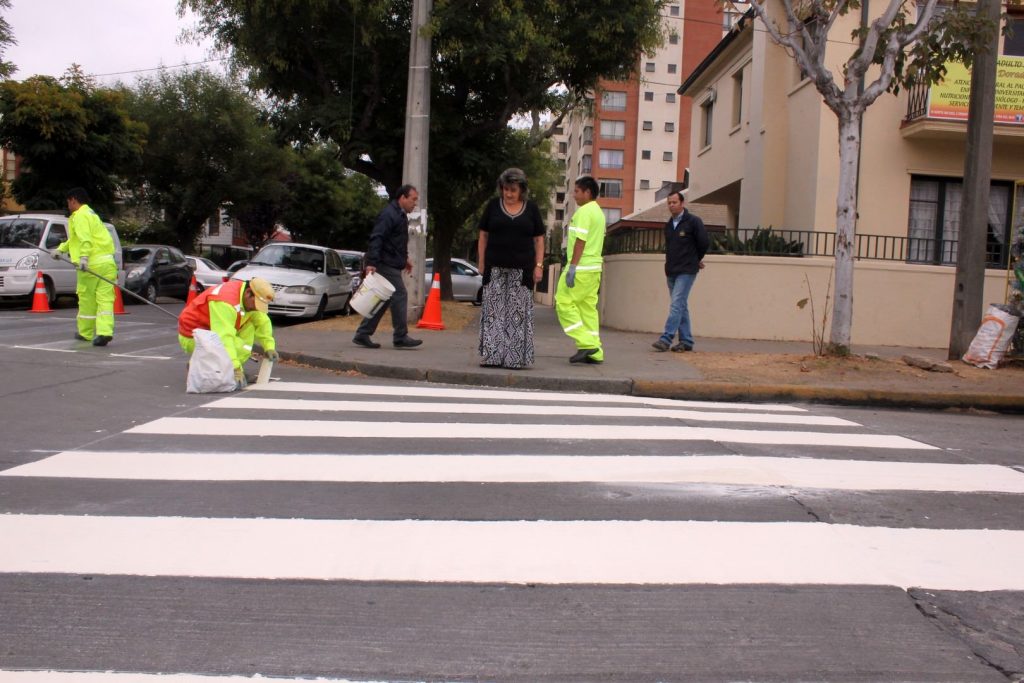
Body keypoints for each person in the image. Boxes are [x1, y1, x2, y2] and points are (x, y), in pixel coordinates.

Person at [476, 168, 546, 368]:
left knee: (517, 314)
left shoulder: (531, 209)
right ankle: (492, 356)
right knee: (494, 313)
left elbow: (539, 240)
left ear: (521, 190)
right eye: (506, 189)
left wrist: (539, 266)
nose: (509, 194)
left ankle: (514, 358)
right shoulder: (492, 207)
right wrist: (481, 262)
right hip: (494, 268)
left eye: (513, 190)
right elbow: (483, 236)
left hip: (522, 270)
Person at [352, 184, 423, 349]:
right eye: (413, 200)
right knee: (400, 295)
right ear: (403, 198)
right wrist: (371, 263)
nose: (415, 203)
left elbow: (396, 241)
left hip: (390, 261)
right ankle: (400, 336)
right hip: (385, 263)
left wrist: (404, 259)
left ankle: (363, 334)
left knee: (383, 300)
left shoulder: (399, 215)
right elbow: (377, 238)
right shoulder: (389, 214)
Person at [178, 277, 278, 389]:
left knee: (249, 325)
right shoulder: (225, 302)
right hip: (193, 335)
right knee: (235, 344)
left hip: (211, 330)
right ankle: (212, 367)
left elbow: (262, 321)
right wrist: (235, 368)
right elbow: (224, 338)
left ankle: (211, 366)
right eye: (256, 304)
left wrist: (269, 346)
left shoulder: (245, 294)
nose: (256, 308)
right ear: (248, 293)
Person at [51, 188, 118, 346]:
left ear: (73, 200)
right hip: (108, 263)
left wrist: (83, 258)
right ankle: (105, 332)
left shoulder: (79, 216)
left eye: (68, 202)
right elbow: (75, 240)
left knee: (87, 298)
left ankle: (85, 333)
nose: (68, 206)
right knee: (105, 299)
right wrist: (61, 249)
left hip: (91, 265)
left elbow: (84, 239)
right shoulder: (92, 215)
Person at [556, 175, 606, 364]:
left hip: (581, 268)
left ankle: (586, 344)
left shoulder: (584, 212)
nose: (574, 195)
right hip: (593, 269)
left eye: (577, 191)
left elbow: (580, 241)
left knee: (563, 302)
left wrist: (573, 267)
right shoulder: (599, 213)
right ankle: (595, 352)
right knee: (587, 309)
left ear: (587, 192)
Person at [652, 191, 709, 353]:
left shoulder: (693, 222)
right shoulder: (669, 225)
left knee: (676, 304)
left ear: (682, 203)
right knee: (681, 305)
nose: (671, 205)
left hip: (687, 270)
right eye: (669, 203)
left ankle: (666, 338)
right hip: (671, 271)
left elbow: (704, 242)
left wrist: (696, 259)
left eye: (674, 202)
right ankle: (686, 341)